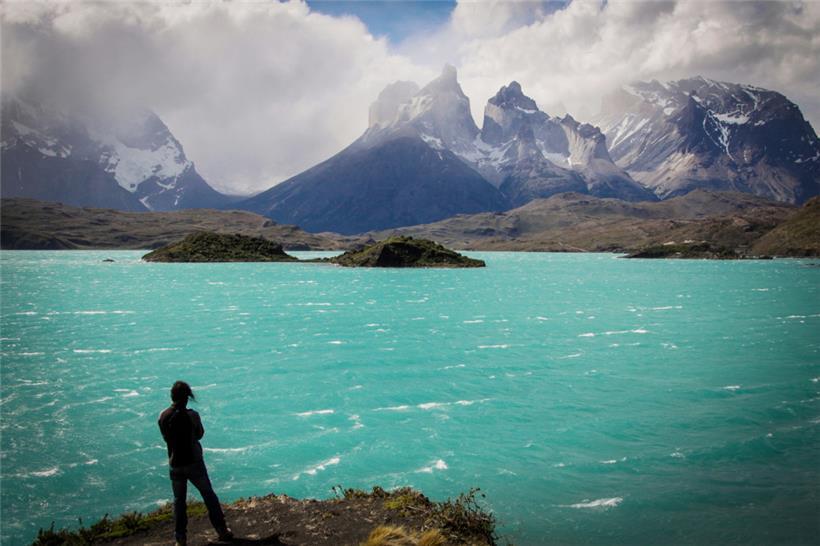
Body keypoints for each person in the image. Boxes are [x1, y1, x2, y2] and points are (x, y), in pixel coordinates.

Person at [158, 381, 233, 545]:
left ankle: (180, 539)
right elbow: (199, 434)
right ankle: (222, 530)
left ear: (172, 396)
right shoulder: (193, 415)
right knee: (209, 495)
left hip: (175, 463)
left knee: (179, 502)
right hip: (194, 462)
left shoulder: (163, 416)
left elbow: (165, 437)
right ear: (187, 397)